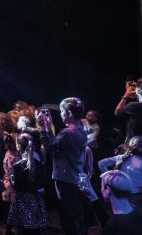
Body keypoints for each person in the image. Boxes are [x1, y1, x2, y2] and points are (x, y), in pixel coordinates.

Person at [36, 97, 89, 235]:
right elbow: (57, 144)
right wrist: (49, 127)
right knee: (76, 213)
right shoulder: (80, 129)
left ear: (69, 114)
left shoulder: (67, 133)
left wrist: (42, 128)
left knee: (68, 217)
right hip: (74, 176)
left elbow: (49, 147)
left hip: (65, 179)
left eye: (62, 111)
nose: (60, 114)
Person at [7, 133, 48, 234]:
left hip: (21, 202)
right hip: (35, 200)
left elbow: (16, 186)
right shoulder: (39, 164)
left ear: (18, 146)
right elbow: (42, 183)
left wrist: (11, 179)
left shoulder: (17, 166)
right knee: (35, 229)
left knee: (22, 229)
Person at [100, 170, 142, 234]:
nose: (101, 190)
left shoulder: (113, 225)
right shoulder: (138, 211)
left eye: (101, 186)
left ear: (108, 190)